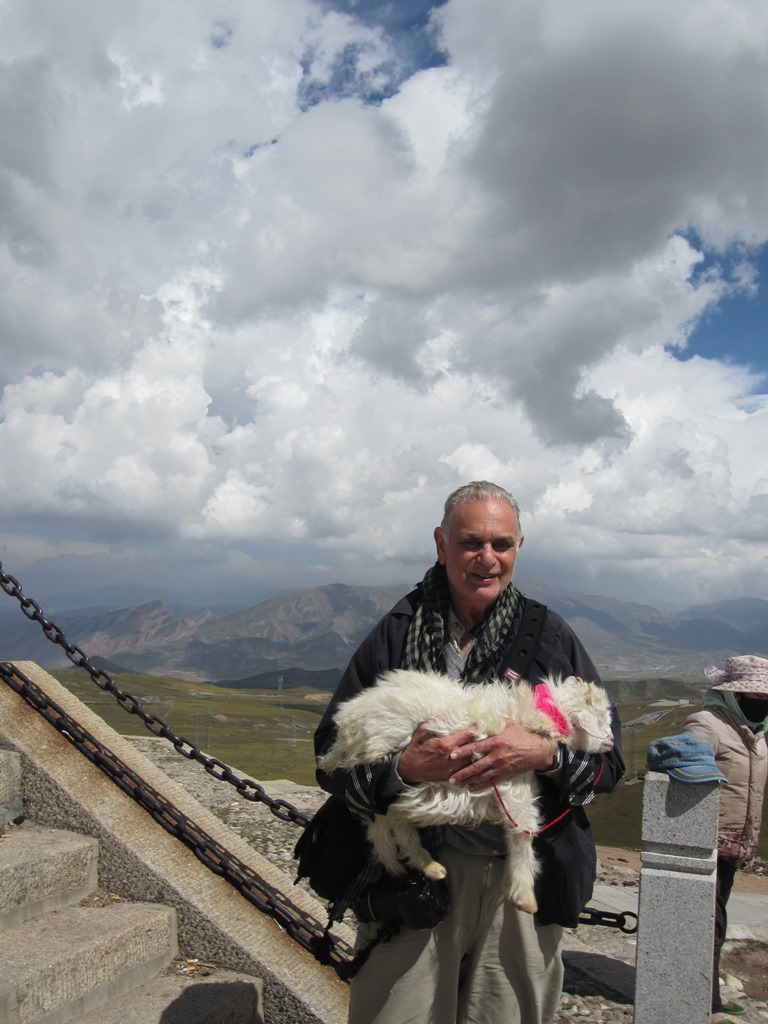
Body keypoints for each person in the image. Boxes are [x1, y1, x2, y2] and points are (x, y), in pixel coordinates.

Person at [314, 481, 624, 1024]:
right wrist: (404, 771)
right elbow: (330, 757)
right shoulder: (397, 632)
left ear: (519, 546)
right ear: (440, 544)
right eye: (470, 543)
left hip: (521, 884)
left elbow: (610, 763)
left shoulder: (550, 637)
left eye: (501, 544)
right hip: (414, 882)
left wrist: (544, 756)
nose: (487, 559)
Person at [681, 655, 768, 1024]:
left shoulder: (759, 734)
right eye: (755, 696)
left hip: (736, 844)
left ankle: (703, 991)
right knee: (709, 923)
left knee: (715, 919)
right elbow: (683, 766)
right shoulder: (708, 724)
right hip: (707, 841)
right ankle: (703, 1000)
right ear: (734, 695)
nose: (761, 702)